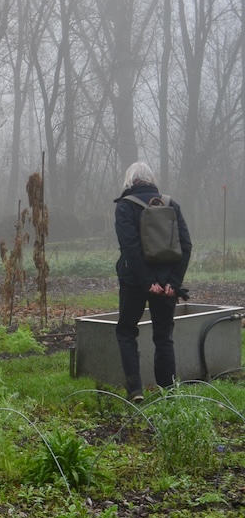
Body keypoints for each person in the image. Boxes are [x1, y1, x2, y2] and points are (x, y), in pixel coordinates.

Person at [113, 162, 192, 402]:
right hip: (166, 283)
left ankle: (135, 390)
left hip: (135, 282)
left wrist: (147, 281)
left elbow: (131, 248)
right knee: (163, 337)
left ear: (130, 181)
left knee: (126, 331)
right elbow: (186, 245)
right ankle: (168, 393)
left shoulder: (125, 207)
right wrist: (173, 283)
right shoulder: (171, 205)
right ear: (151, 179)